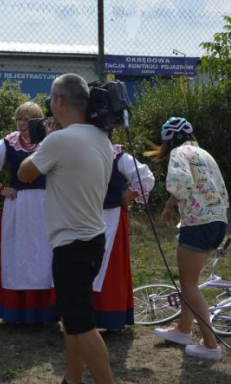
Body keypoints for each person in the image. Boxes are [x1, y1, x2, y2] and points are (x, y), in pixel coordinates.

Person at [18, 73, 115, 384]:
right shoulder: (101, 137)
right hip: (92, 239)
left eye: (50, 98)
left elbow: (24, 173)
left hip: (71, 243)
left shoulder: (59, 140)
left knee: (82, 323)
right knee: (71, 318)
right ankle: (72, 379)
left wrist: (47, 138)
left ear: (59, 100)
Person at [150, 117, 229, 360]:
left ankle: (210, 345)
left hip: (198, 222)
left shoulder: (179, 154)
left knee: (189, 284)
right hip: (218, 221)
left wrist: (168, 204)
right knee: (190, 281)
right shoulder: (204, 153)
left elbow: (181, 183)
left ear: (170, 140)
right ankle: (183, 330)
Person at [0, 102, 57, 324]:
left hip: (46, 205)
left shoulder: (50, 140)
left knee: (44, 254)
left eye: (28, 119)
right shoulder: (9, 143)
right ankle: (17, 310)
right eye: (19, 119)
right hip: (18, 206)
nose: (22, 123)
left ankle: (43, 310)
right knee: (18, 254)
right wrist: (0, 188)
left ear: (38, 121)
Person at [93, 139, 155, 330]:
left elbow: (145, 177)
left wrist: (124, 197)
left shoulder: (118, 157)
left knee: (108, 268)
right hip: (79, 216)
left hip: (109, 217)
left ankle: (109, 318)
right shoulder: (77, 151)